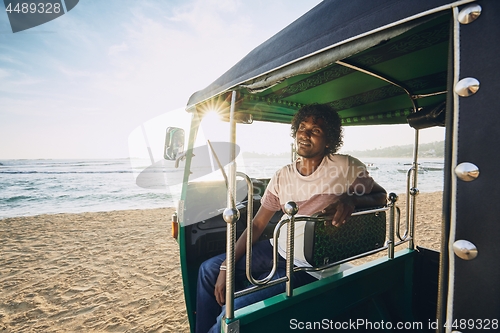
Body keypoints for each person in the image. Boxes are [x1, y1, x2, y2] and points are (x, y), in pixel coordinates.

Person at [195, 103, 387, 333]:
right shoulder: (282, 176)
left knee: (232, 313)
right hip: (277, 250)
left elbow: (381, 195)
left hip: (311, 267)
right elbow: (257, 225)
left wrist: (351, 200)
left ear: (329, 140)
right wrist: (227, 266)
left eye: (315, 130)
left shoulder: (345, 167)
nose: (305, 134)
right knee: (209, 270)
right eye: (302, 127)